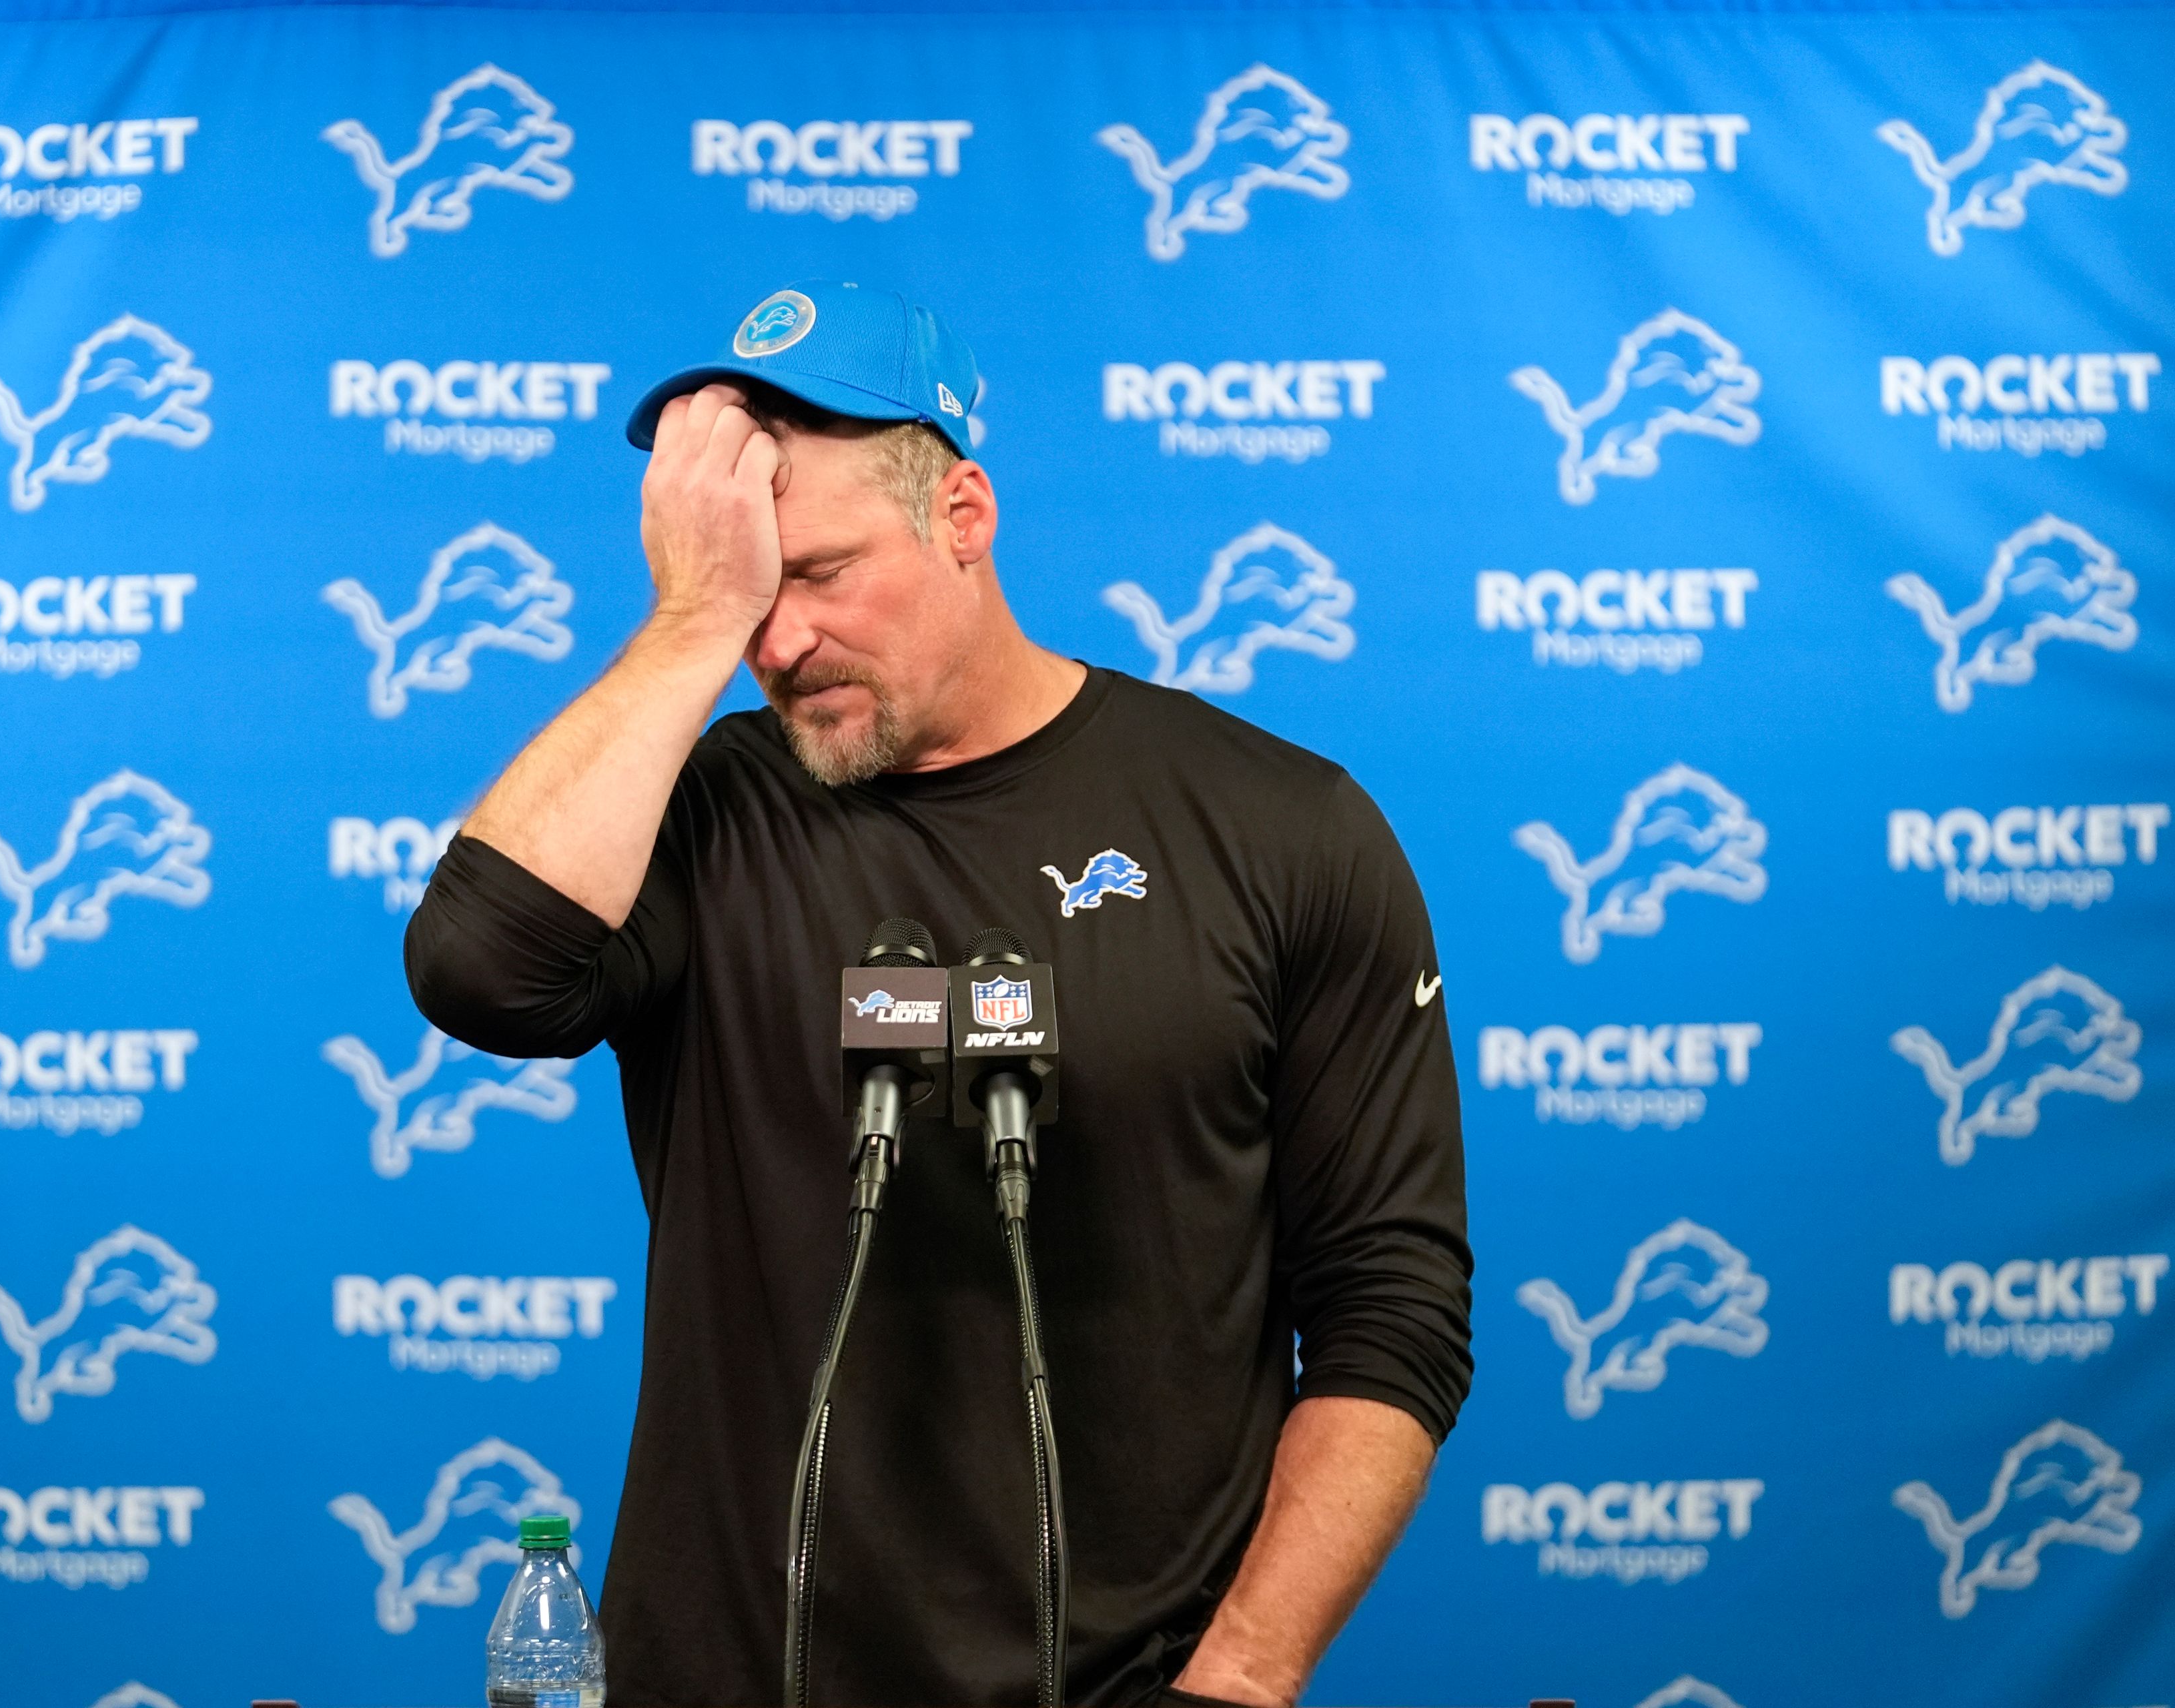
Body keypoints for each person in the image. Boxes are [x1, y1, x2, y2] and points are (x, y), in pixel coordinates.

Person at [406, 280, 1471, 1708]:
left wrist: (1242, 1679)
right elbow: (483, 972)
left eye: (820, 571)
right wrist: (687, 619)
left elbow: (1388, 1305)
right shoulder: (705, 815)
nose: (776, 644)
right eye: (747, 592)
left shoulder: (1279, 827)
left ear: (962, 513)